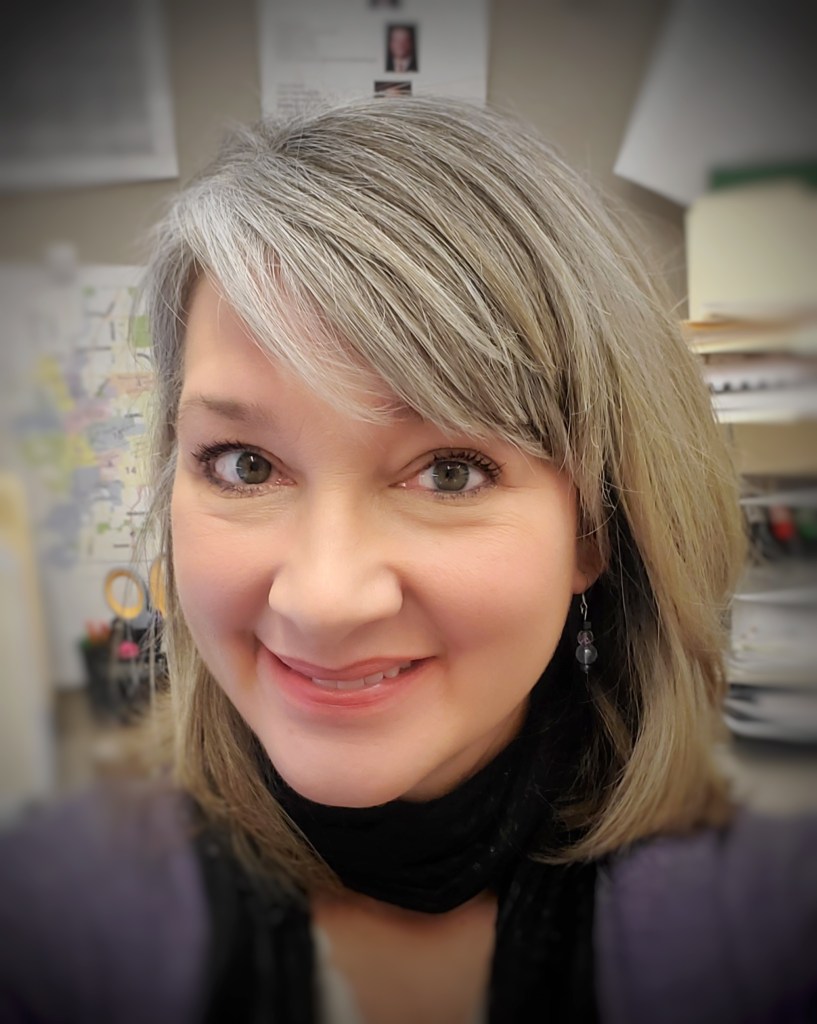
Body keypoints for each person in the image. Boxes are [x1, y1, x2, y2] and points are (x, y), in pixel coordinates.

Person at [1, 95, 815, 1024]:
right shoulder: (48, 922)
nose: (324, 599)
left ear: (593, 529)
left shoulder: (768, 935)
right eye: (245, 465)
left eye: (450, 473)